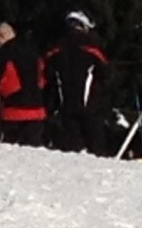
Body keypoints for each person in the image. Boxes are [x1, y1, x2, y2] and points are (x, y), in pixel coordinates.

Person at [44, 11, 111, 155]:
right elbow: (106, 71)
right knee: (97, 149)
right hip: (89, 105)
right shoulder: (91, 47)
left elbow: (46, 73)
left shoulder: (55, 48)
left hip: (65, 104)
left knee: (72, 151)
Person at [0, 22, 47, 146]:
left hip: (13, 112)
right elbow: (43, 79)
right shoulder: (33, 52)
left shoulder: (2, 55)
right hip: (37, 110)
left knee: (13, 155)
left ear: (0, 38)